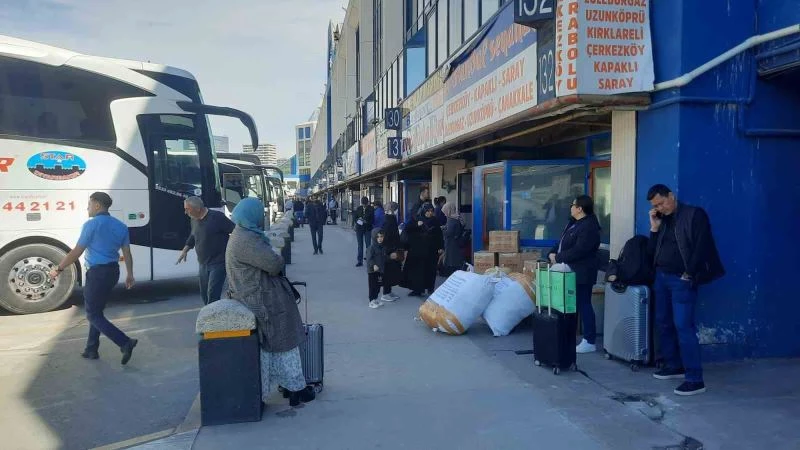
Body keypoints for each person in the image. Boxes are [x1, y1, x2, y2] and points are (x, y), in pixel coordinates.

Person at [224, 197, 316, 409]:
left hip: (252, 294)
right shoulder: (246, 239)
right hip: (261, 299)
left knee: (277, 342)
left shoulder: (242, 234)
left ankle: (289, 385)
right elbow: (274, 264)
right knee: (286, 338)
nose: (263, 217)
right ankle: (296, 388)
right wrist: (276, 256)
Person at [647, 184, 724, 396]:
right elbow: (651, 252)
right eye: (656, 206)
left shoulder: (694, 215)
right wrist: (654, 228)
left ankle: (695, 378)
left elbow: (702, 246)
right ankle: (674, 365)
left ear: (671, 196)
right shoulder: (662, 221)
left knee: (683, 326)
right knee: (663, 322)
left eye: (661, 203)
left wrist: (689, 273)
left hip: (681, 279)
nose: (660, 208)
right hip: (661, 277)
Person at [49, 192, 138, 364]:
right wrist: (130, 274)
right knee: (96, 311)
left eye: (89, 204)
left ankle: (125, 342)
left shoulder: (91, 225)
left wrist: (58, 268)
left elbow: (77, 251)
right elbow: (127, 253)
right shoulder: (121, 226)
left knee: (93, 315)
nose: (87, 208)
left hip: (97, 274)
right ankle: (91, 349)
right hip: (113, 272)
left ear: (97, 205)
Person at [547, 195, 602, 355]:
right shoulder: (573, 223)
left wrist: (558, 257)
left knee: (584, 303)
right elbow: (561, 243)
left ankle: (589, 340)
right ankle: (569, 335)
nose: (570, 208)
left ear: (580, 208)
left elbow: (580, 250)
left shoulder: (589, 226)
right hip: (569, 270)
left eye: (573, 205)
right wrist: (551, 253)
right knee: (574, 304)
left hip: (582, 272)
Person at [178, 196, 235, 305]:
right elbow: (193, 235)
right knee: (204, 294)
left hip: (218, 262)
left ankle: (212, 319)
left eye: (187, 209)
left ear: (198, 208)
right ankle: (209, 316)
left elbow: (235, 231)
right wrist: (185, 249)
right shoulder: (194, 219)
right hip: (203, 263)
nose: (185, 212)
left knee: (212, 293)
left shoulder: (217, 217)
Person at [401, 203, 444, 297]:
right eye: (428, 211)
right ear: (423, 211)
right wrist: (417, 225)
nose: (430, 213)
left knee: (431, 270)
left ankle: (430, 288)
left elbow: (439, 235)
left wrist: (441, 247)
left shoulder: (435, 221)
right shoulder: (417, 219)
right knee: (418, 271)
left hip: (431, 250)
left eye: (431, 211)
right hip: (418, 250)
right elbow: (407, 229)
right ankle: (418, 290)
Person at [380, 201, 402, 303]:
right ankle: (385, 293)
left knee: (392, 271)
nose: (397, 211)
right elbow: (387, 236)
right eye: (396, 209)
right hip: (389, 250)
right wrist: (389, 251)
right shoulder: (389, 220)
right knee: (388, 272)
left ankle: (389, 291)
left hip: (392, 248)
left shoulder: (390, 219)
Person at [441, 202, 466, 277]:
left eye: (445, 211)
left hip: (452, 244)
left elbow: (449, 232)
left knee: (451, 261)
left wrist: (442, 230)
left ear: (448, 210)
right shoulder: (456, 217)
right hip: (455, 243)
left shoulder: (451, 219)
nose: (444, 213)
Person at [366, 230, 387, 309]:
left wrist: (390, 257)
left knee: (378, 285)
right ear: (374, 237)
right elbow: (369, 258)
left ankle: (375, 299)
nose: (380, 238)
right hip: (372, 271)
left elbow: (384, 257)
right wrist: (374, 265)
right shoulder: (371, 248)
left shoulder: (383, 247)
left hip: (380, 271)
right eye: (378, 237)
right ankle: (371, 301)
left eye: (381, 236)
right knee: (372, 286)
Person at [353, 197, 374, 267]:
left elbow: (372, 219)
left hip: (367, 229)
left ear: (367, 203)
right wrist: (359, 220)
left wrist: (366, 222)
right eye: (363, 204)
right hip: (359, 229)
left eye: (365, 204)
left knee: (368, 245)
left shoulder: (371, 209)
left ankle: (369, 260)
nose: (364, 205)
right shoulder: (359, 208)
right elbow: (354, 218)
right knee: (360, 245)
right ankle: (360, 261)